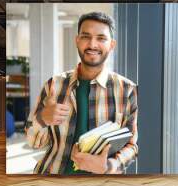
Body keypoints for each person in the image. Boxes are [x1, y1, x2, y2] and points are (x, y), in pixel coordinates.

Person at [27, 12, 138, 175]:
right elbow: (33, 142)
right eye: (86, 37)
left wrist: (108, 166)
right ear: (77, 40)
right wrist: (42, 119)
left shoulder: (127, 90)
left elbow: (131, 145)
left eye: (101, 38)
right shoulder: (53, 85)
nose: (92, 45)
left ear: (112, 45)